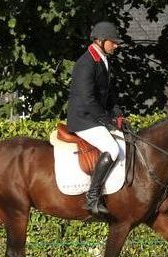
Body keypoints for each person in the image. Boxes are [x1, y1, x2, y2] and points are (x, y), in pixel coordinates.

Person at [67, 21, 123, 215]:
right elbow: (88, 98)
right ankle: (92, 197)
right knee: (112, 148)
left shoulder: (103, 59)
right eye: (113, 42)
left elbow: (109, 92)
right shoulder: (86, 62)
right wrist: (106, 120)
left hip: (94, 117)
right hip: (83, 119)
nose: (116, 45)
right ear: (100, 40)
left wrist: (116, 112)